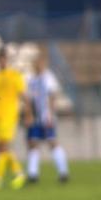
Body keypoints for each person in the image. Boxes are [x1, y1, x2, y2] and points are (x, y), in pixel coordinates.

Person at [24, 49, 70, 183]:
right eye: (36, 63)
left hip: (46, 117)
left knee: (52, 142)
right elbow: (28, 99)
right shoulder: (30, 79)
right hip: (35, 118)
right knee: (33, 143)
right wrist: (29, 116)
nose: (38, 65)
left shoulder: (48, 77)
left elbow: (52, 96)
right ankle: (33, 174)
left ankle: (63, 172)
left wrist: (50, 114)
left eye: (40, 62)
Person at [0, 47, 27, 190]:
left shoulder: (15, 75)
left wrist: (28, 114)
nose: (2, 61)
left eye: (4, 58)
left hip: (9, 115)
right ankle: (19, 173)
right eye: (0, 58)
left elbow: (23, 95)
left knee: (3, 146)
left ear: (7, 59)